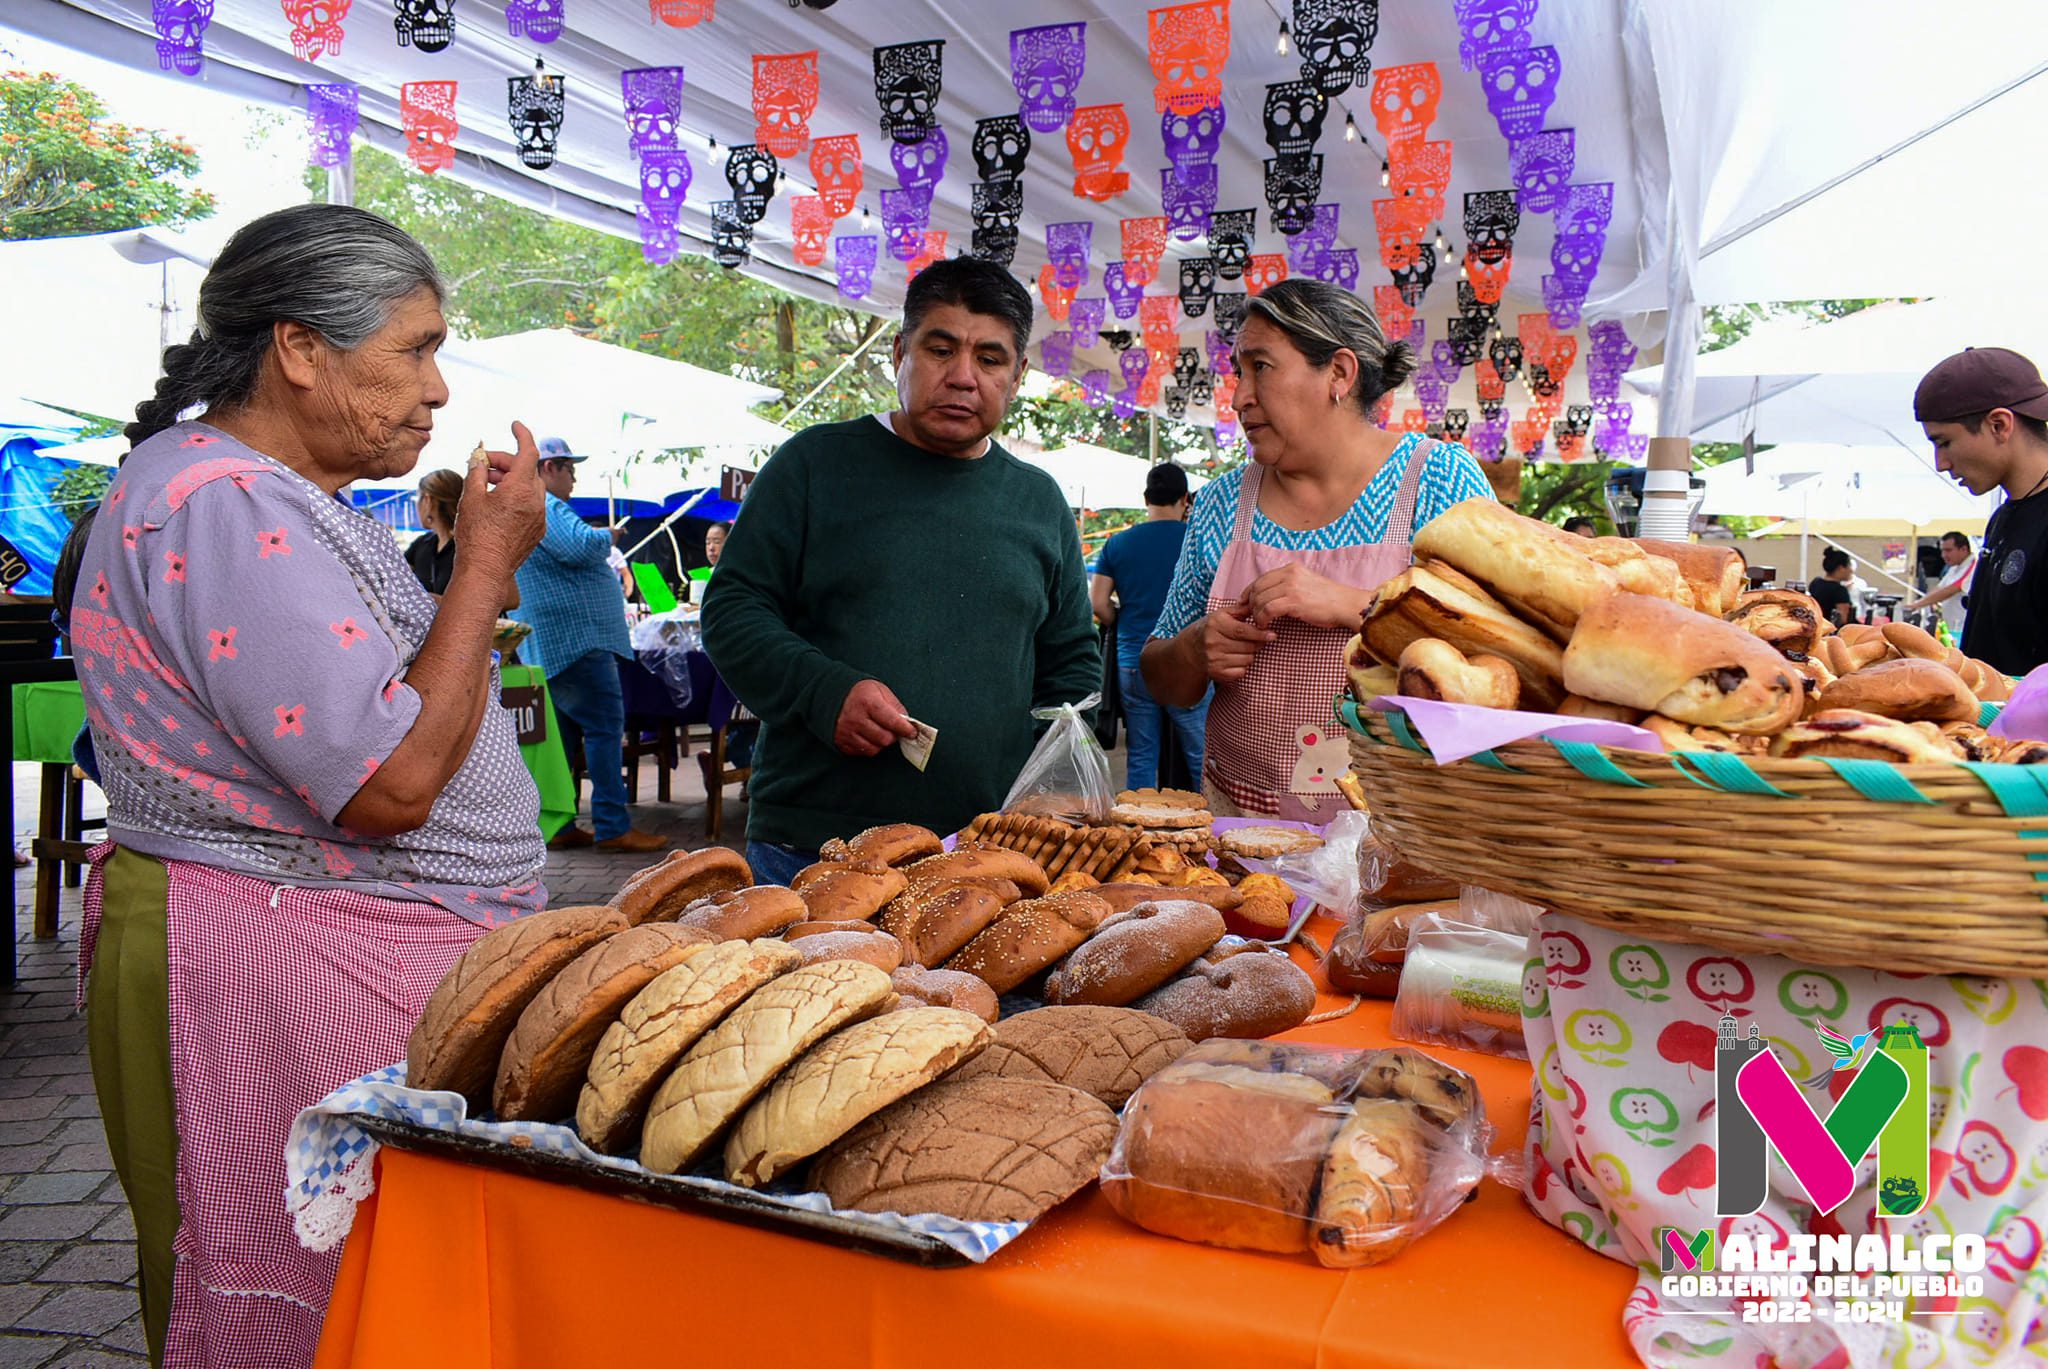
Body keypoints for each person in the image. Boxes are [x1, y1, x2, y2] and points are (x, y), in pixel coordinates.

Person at [72, 204, 549, 1369]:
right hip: (264, 959)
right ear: (298, 349)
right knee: (312, 1294)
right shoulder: (223, 501)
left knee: (362, 1290)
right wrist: (483, 563)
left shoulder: (246, 491)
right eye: (415, 349)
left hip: (301, 946)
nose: (436, 392)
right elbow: (386, 782)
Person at [702, 257, 1099, 885]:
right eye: (940, 349)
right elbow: (734, 610)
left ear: (1018, 375)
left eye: (990, 359)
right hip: (815, 844)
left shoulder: (1038, 501)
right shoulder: (814, 466)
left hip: (983, 848)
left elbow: (1072, 660)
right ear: (898, 353)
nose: (963, 377)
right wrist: (824, 692)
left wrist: (1054, 778)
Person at [1140, 278, 1496, 819]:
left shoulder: (1438, 481)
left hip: (1407, 838)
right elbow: (1163, 679)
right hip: (1246, 837)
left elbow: (1500, 655)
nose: (1239, 397)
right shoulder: (1219, 504)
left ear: (1339, 373)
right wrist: (1194, 648)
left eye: (1261, 366)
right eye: (1239, 372)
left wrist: (1354, 607)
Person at [512, 438, 669, 853]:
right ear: (549, 468)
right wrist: (610, 536)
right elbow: (579, 545)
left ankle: (560, 823)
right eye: (570, 467)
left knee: (563, 737)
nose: (575, 476)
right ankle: (612, 825)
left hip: (554, 642)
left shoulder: (529, 507)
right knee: (602, 729)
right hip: (578, 640)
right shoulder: (548, 506)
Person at [1915, 346, 2048, 676]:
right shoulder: (2003, 519)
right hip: (1982, 728)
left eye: (1944, 442)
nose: (1940, 464)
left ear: (1999, 425)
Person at [1093, 463, 1210, 789]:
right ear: (1185, 498)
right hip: (1187, 663)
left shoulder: (1118, 543)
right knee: (1201, 755)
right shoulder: (1198, 540)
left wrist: (1123, 618)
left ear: (1146, 498)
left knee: (1142, 754)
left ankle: (1138, 829)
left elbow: (1099, 604)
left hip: (1134, 661)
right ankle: (1211, 826)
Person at [1903, 530, 1976, 636]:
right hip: (1951, 626)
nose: (1943, 555)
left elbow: (1953, 588)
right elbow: (1940, 588)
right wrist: (1919, 602)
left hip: (1962, 627)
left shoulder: (1973, 565)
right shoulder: (1954, 567)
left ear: (1963, 549)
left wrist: (1918, 604)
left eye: (1948, 550)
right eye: (1942, 551)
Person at [406, 467, 462, 593]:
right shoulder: (421, 544)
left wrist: (433, 601)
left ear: (428, 500)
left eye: (418, 498)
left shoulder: (471, 547)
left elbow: (510, 599)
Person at [1808, 547, 1856, 627]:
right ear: (1841, 568)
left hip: (1815, 625)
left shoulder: (1815, 583)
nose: (1851, 570)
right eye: (1849, 566)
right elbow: (1843, 619)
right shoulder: (1839, 590)